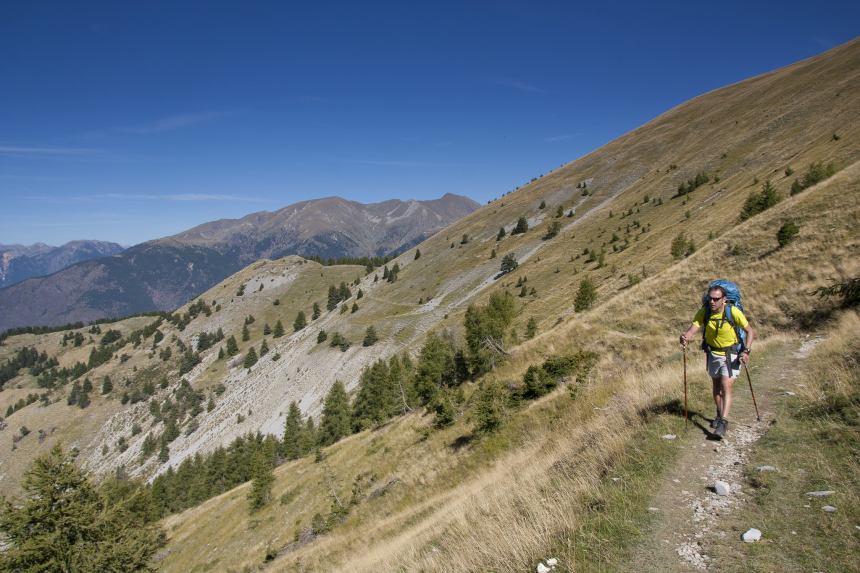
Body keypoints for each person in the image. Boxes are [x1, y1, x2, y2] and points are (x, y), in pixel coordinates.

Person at [679, 285, 754, 438]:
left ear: (724, 299)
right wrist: (686, 337)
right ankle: (720, 414)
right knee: (716, 386)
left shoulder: (732, 311)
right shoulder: (704, 312)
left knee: (726, 386)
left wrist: (746, 350)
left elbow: (749, 331)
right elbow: (693, 329)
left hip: (731, 353)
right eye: (710, 298)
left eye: (716, 299)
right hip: (713, 353)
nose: (712, 302)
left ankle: (723, 423)